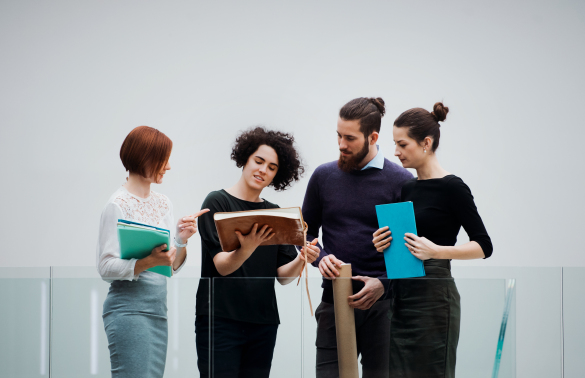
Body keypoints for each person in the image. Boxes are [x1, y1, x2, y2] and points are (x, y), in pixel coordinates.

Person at [372, 102, 494, 378]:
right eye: (394, 144)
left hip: (435, 301)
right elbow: (403, 245)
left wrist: (437, 251)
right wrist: (383, 243)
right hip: (401, 298)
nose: (396, 152)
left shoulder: (453, 187)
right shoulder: (407, 188)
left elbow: (484, 246)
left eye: (402, 144)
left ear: (426, 142)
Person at [195, 127, 320, 378]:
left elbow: (283, 276)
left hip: (263, 323)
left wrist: (302, 259)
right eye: (259, 161)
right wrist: (247, 247)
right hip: (220, 320)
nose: (263, 170)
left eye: (272, 167)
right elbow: (222, 266)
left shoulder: (274, 213)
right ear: (245, 159)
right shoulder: (217, 203)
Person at [302, 97, 413, 378]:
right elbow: (303, 234)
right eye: (338, 135)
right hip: (333, 301)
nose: (341, 144)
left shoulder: (399, 181)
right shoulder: (323, 176)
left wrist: (383, 285)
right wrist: (321, 258)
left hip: (385, 308)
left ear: (373, 137)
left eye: (349, 138)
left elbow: (408, 256)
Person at [97, 126, 209, 378]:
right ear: (145, 157)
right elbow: (105, 267)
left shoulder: (163, 203)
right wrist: (147, 261)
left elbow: (168, 266)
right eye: (163, 159)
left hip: (158, 311)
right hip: (128, 311)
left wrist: (181, 239)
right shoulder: (117, 205)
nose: (167, 167)